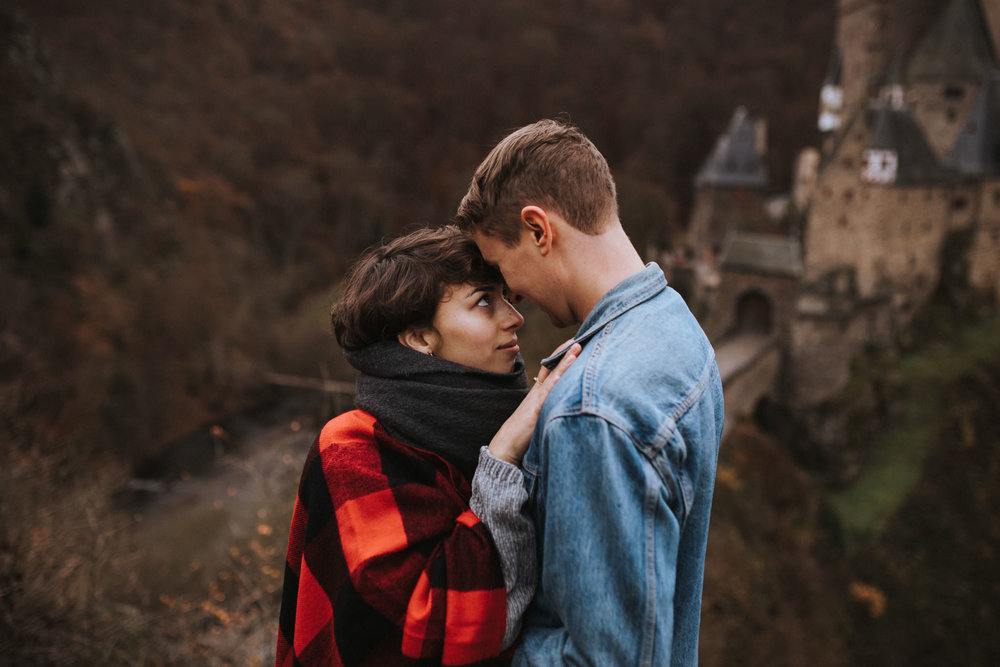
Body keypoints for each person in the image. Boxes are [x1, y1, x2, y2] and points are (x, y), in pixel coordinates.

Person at [455, 119, 725, 666]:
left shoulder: (591, 409)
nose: (516, 298)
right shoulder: (679, 332)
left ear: (538, 230)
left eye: (503, 270)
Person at [275, 225, 580, 666]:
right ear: (419, 338)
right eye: (483, 302)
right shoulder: (350, 449)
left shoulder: (517, 422)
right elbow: (436, 630)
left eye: (507, 297)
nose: (515, 317)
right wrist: (501, 460)